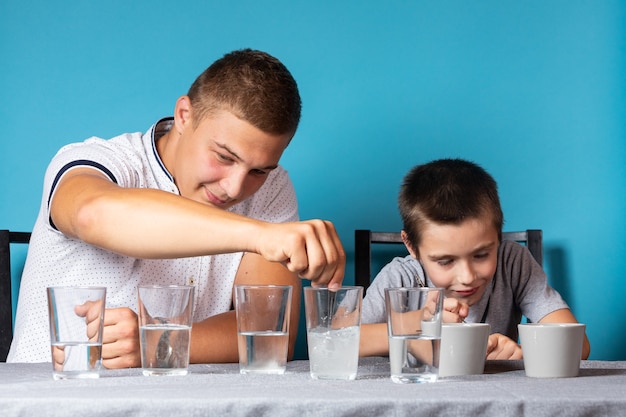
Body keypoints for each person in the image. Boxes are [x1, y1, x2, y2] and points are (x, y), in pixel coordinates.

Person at [8, 49, 345, 367]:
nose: (235, 188)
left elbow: (269, 333)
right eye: (224, 157)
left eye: (258, 170)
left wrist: (159, 343)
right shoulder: (96, 161)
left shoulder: (272, 187)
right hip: (47, 401)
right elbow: (91, 214)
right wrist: (260, 236)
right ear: (184, 115)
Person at [359, 158, 590, 360]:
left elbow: (579, 346)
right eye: (445, 261)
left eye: (481, 255)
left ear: (497, 238)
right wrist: (417, 323)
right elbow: (344, 342)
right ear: (411, 246)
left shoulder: (512, 262)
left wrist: (522, 354)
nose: (467, 277)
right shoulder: (401, 276)